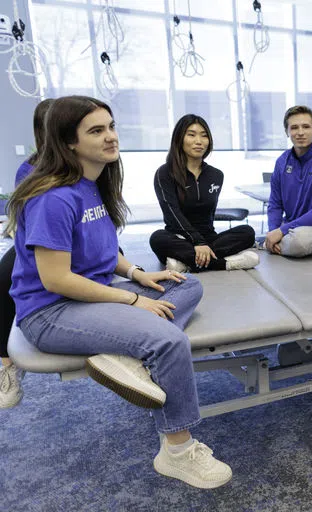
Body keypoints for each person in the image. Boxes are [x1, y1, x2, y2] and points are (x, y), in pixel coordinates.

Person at [4, 96, 232, 488]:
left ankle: (125, 354)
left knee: (187, 284)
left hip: (93, 292)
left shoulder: (92, 184)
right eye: (96, 130)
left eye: (111, 126)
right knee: (167, 340)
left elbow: (101, 252)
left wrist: (138, 274)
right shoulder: (54, 197)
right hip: (52, 310)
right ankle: (177, 449)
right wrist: (132, 300)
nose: (111, 137)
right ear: (68, 141)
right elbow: (56, 279)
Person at [149, 114, 258, 273]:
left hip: (210, 239)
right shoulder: (165, 173)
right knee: (157, 238)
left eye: (204, 135)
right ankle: (224, 263)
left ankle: (185, 263)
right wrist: (197, 242)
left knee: (247, 232)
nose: (199, 141)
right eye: (191, 135)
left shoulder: (216, 175)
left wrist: (203, 243)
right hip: (178, 238)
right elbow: (172, 213)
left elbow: (209, 215)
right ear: (179, 138)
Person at [0, 98, 54, 408]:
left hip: (82, 242)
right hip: (36, 242)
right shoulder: (29, 169)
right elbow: (29, 222)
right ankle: (8, 367)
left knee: (112, 271)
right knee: (2, 278)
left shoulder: (90, 167)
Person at [265, 105, 312, 257]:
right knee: (263, 235)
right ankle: (277, 242)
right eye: (294, 127)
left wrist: (281, 231)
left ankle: (278, 242)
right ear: (287, 132)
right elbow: (275, 204)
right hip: (291, 227)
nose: (300, 132)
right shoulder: (282, 162)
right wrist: (273, 231)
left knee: (298, 242)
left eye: (306, 127)